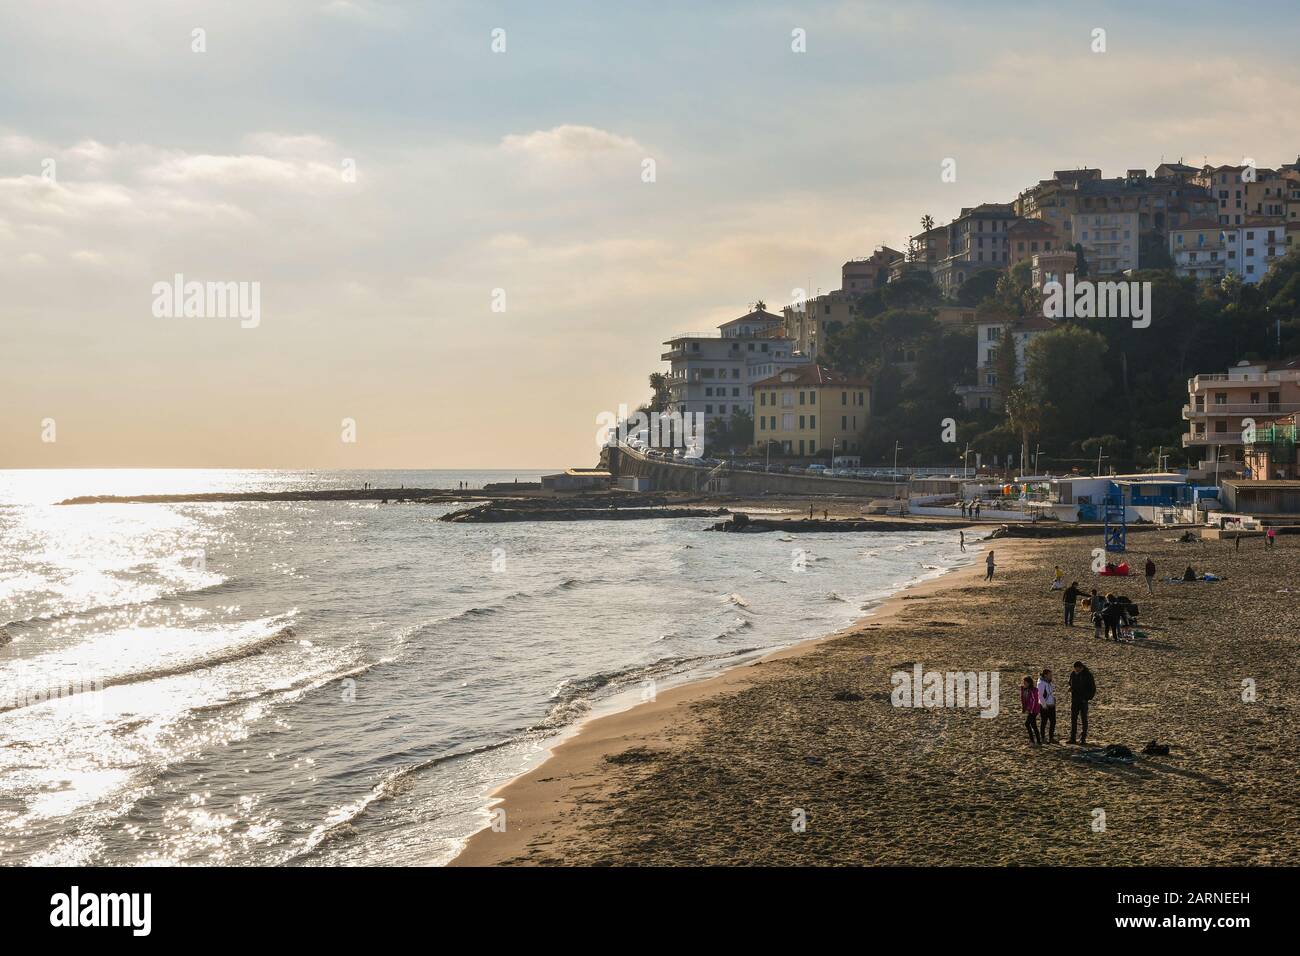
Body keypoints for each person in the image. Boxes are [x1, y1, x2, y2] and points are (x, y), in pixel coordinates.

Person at [1068, 661, 1096, 745]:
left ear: (1081, 667)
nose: (1076, 670)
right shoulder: (1073, 674)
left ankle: (1083, 739)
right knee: (1073, 719)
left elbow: (1093, 688)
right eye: (1075, 669)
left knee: (1084, 719)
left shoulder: (1087, 675)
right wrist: (1071, 688)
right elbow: (1070, 682)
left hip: (1083, 701)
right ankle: (1072, 738)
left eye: (1077, 669)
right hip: (1075, 700)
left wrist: (1087, 698)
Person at [1037, 668, 1057, 743]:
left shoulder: (1049, 682)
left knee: (1053, 721)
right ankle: (1043, 738)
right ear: (1045, 675)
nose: (1051, 676)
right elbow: (1040, 695)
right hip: (1044, 705)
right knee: (1044, 722)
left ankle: (1051, 738)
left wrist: (1053, 699)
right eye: (1050, 675)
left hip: (1051, 704)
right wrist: (1044, 705)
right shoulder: (1041, 683)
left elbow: (1051, 691)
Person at [1020, 675, 1042, 745]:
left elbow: (1034, 701)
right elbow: (1024, 700)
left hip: (1034, 710)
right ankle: (1038, 741)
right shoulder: (1024, 689)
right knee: (1033, 725)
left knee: (1027, 724)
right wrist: (1024, 708)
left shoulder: (1033, 690)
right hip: (1031, 710)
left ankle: (1033, 741)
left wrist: (1030, 709)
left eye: (1025, 683)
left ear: (1029, 683)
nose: (1024, 684)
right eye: (1024, 683)